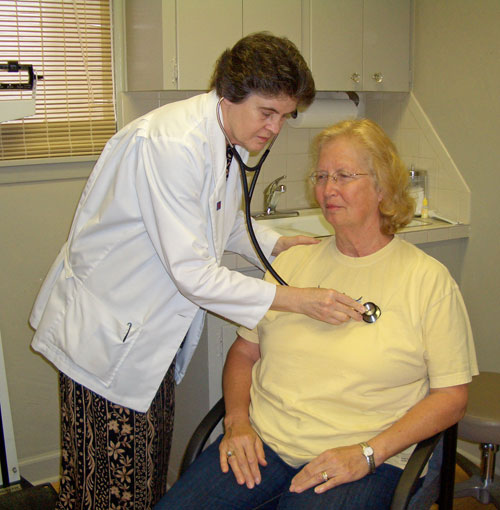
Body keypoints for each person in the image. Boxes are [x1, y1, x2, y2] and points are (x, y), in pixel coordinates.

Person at [29, 33, 365, 509]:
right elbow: (193, 272)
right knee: (105, 489)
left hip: (145, 340)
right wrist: (299, 298)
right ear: (228, 94)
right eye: (267, 112)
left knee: (140, 478)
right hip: (106, 340)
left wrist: (278, 242)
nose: (275, 128)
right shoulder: (170, 144)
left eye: (285, 116)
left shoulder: (226, 139)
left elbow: (217, 226)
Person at [155, 118, 478, 510]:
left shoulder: (428, 281)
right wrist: (237, 422)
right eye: (322, 175)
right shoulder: (292, 264)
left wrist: (368, 453)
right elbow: (243, 354)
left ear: (382, 185)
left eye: (344, 175)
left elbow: (451, 396)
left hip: (361, 455)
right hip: (264, 446)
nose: (328, 189)